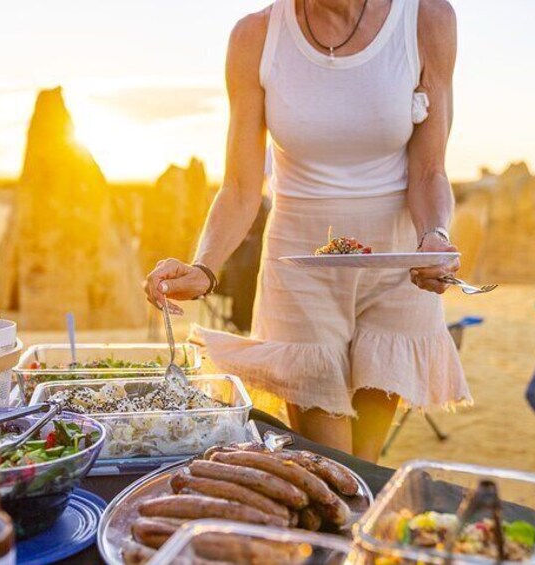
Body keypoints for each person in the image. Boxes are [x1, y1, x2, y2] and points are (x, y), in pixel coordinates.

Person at [145, 0, 471, 462]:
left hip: (398, 258)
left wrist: (434, 236)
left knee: (365, 463)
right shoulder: (255, 36)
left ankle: (353, 533)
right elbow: (240, 186)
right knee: (326, 461)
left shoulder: (427, 19)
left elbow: (429, 170)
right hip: (299, 259)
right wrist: (205, 267)